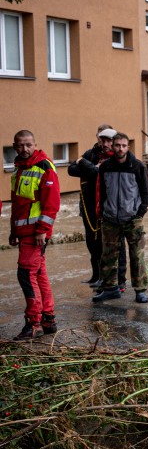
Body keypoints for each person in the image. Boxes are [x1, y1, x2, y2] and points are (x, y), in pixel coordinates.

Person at [9, 130, 60, 339]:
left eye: (28, 144)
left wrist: (42, 231)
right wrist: (13, 231)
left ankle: (34, 323)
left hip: (36, 233)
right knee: (38, 274)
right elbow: (18, 206)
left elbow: (52, 203)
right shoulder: (18, 170)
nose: (25, 149)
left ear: (35, 144)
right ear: (14, 146)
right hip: (25, 232)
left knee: (26, 275)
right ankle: (48, 319)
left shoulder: (45, 167)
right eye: (20, 145)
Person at [93, 133, 148, 304]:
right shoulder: (105, 167)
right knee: (108, 255)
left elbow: (146, 193)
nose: (120, 149)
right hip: (110, 218)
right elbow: (102, 191)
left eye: (124, 145)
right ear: (112, 146)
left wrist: (139, 212)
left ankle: (140, 290)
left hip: (132, 218)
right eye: (117, 145)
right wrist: (103, 211)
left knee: (136, 255)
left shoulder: (137, 166)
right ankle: (110, 288)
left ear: (128, 147)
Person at [67, 125, 127, 289]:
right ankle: (97, 275)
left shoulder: (119, 156)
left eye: (108, 140)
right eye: (102, 139)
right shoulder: (91, 154)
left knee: (115, 244)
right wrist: (87, 165)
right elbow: (72, 169)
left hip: (111, 208)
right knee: (92, 241)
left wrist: (86, 166)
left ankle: (118, 280)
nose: (105, 143)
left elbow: (99, 172)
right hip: (89, 205)